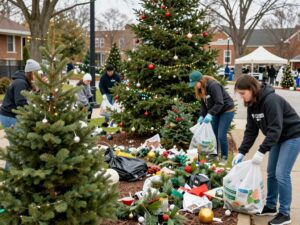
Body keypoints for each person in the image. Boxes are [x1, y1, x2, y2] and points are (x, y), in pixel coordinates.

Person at [232, 75, 300, 225]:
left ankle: (284, 213)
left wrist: (261, 151)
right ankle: (270, 206)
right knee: (271, 172)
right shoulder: (251, 104)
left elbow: (275, 129)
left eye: (243, 93)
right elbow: (251, 131)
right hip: (278, 138)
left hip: (292, 136)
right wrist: (242, 151)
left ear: (251, 89)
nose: (242, 97)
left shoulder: (271, 101)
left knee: (281, 173)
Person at [189, 71, 235, 165]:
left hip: (227, 110)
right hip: (216, 111)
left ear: (200, 80)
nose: (195, 86)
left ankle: (224, 157)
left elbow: (220, 102)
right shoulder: (201, 88)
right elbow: (204, 105)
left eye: (195, 83)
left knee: (221, 135)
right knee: (213, 134)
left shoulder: (213, 85)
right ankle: (214, 155)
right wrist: (202, 115)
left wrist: (210, 114)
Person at [0, 59, 40, 128]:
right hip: (10, 116)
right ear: (31, 72)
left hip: (14, 115)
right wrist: (33, 112)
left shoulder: (26, 82)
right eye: (37, 72)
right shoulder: (20, 83)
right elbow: (20, 102)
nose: (39, 75)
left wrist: (36, 91)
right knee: (18, 137)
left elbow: (28, 97)